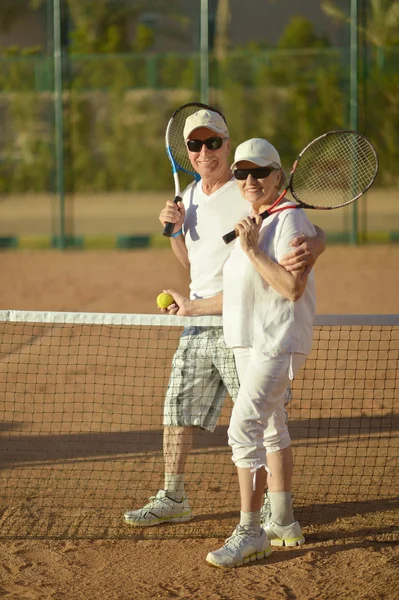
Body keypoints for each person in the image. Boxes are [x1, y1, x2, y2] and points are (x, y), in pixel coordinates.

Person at [123, 110, 324, 531]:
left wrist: (316, 243)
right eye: (195, 145)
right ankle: (173, 495)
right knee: (176, 409)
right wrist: (177, 233)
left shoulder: (246, 186)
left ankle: (273, 509)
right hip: (197, 321)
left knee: (264, 422)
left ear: (226, 144)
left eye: (212, 142)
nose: (203, 152)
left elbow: (301, 223)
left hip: (242, 320)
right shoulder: (190, 196)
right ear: (187, 153)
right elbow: (193, 265)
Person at [206, 138, 316, 568]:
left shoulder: (290, 221)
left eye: (258, 172)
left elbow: (291, 288)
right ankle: (283, 521)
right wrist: (190, 305)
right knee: (271, 425)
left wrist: (252, 250)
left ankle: (251, 531)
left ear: (278, 176)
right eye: (241, 173)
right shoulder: (254, 220)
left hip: (276, 341)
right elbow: (235, 291)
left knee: (242, 429)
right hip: (246, 340)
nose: (249, 180)